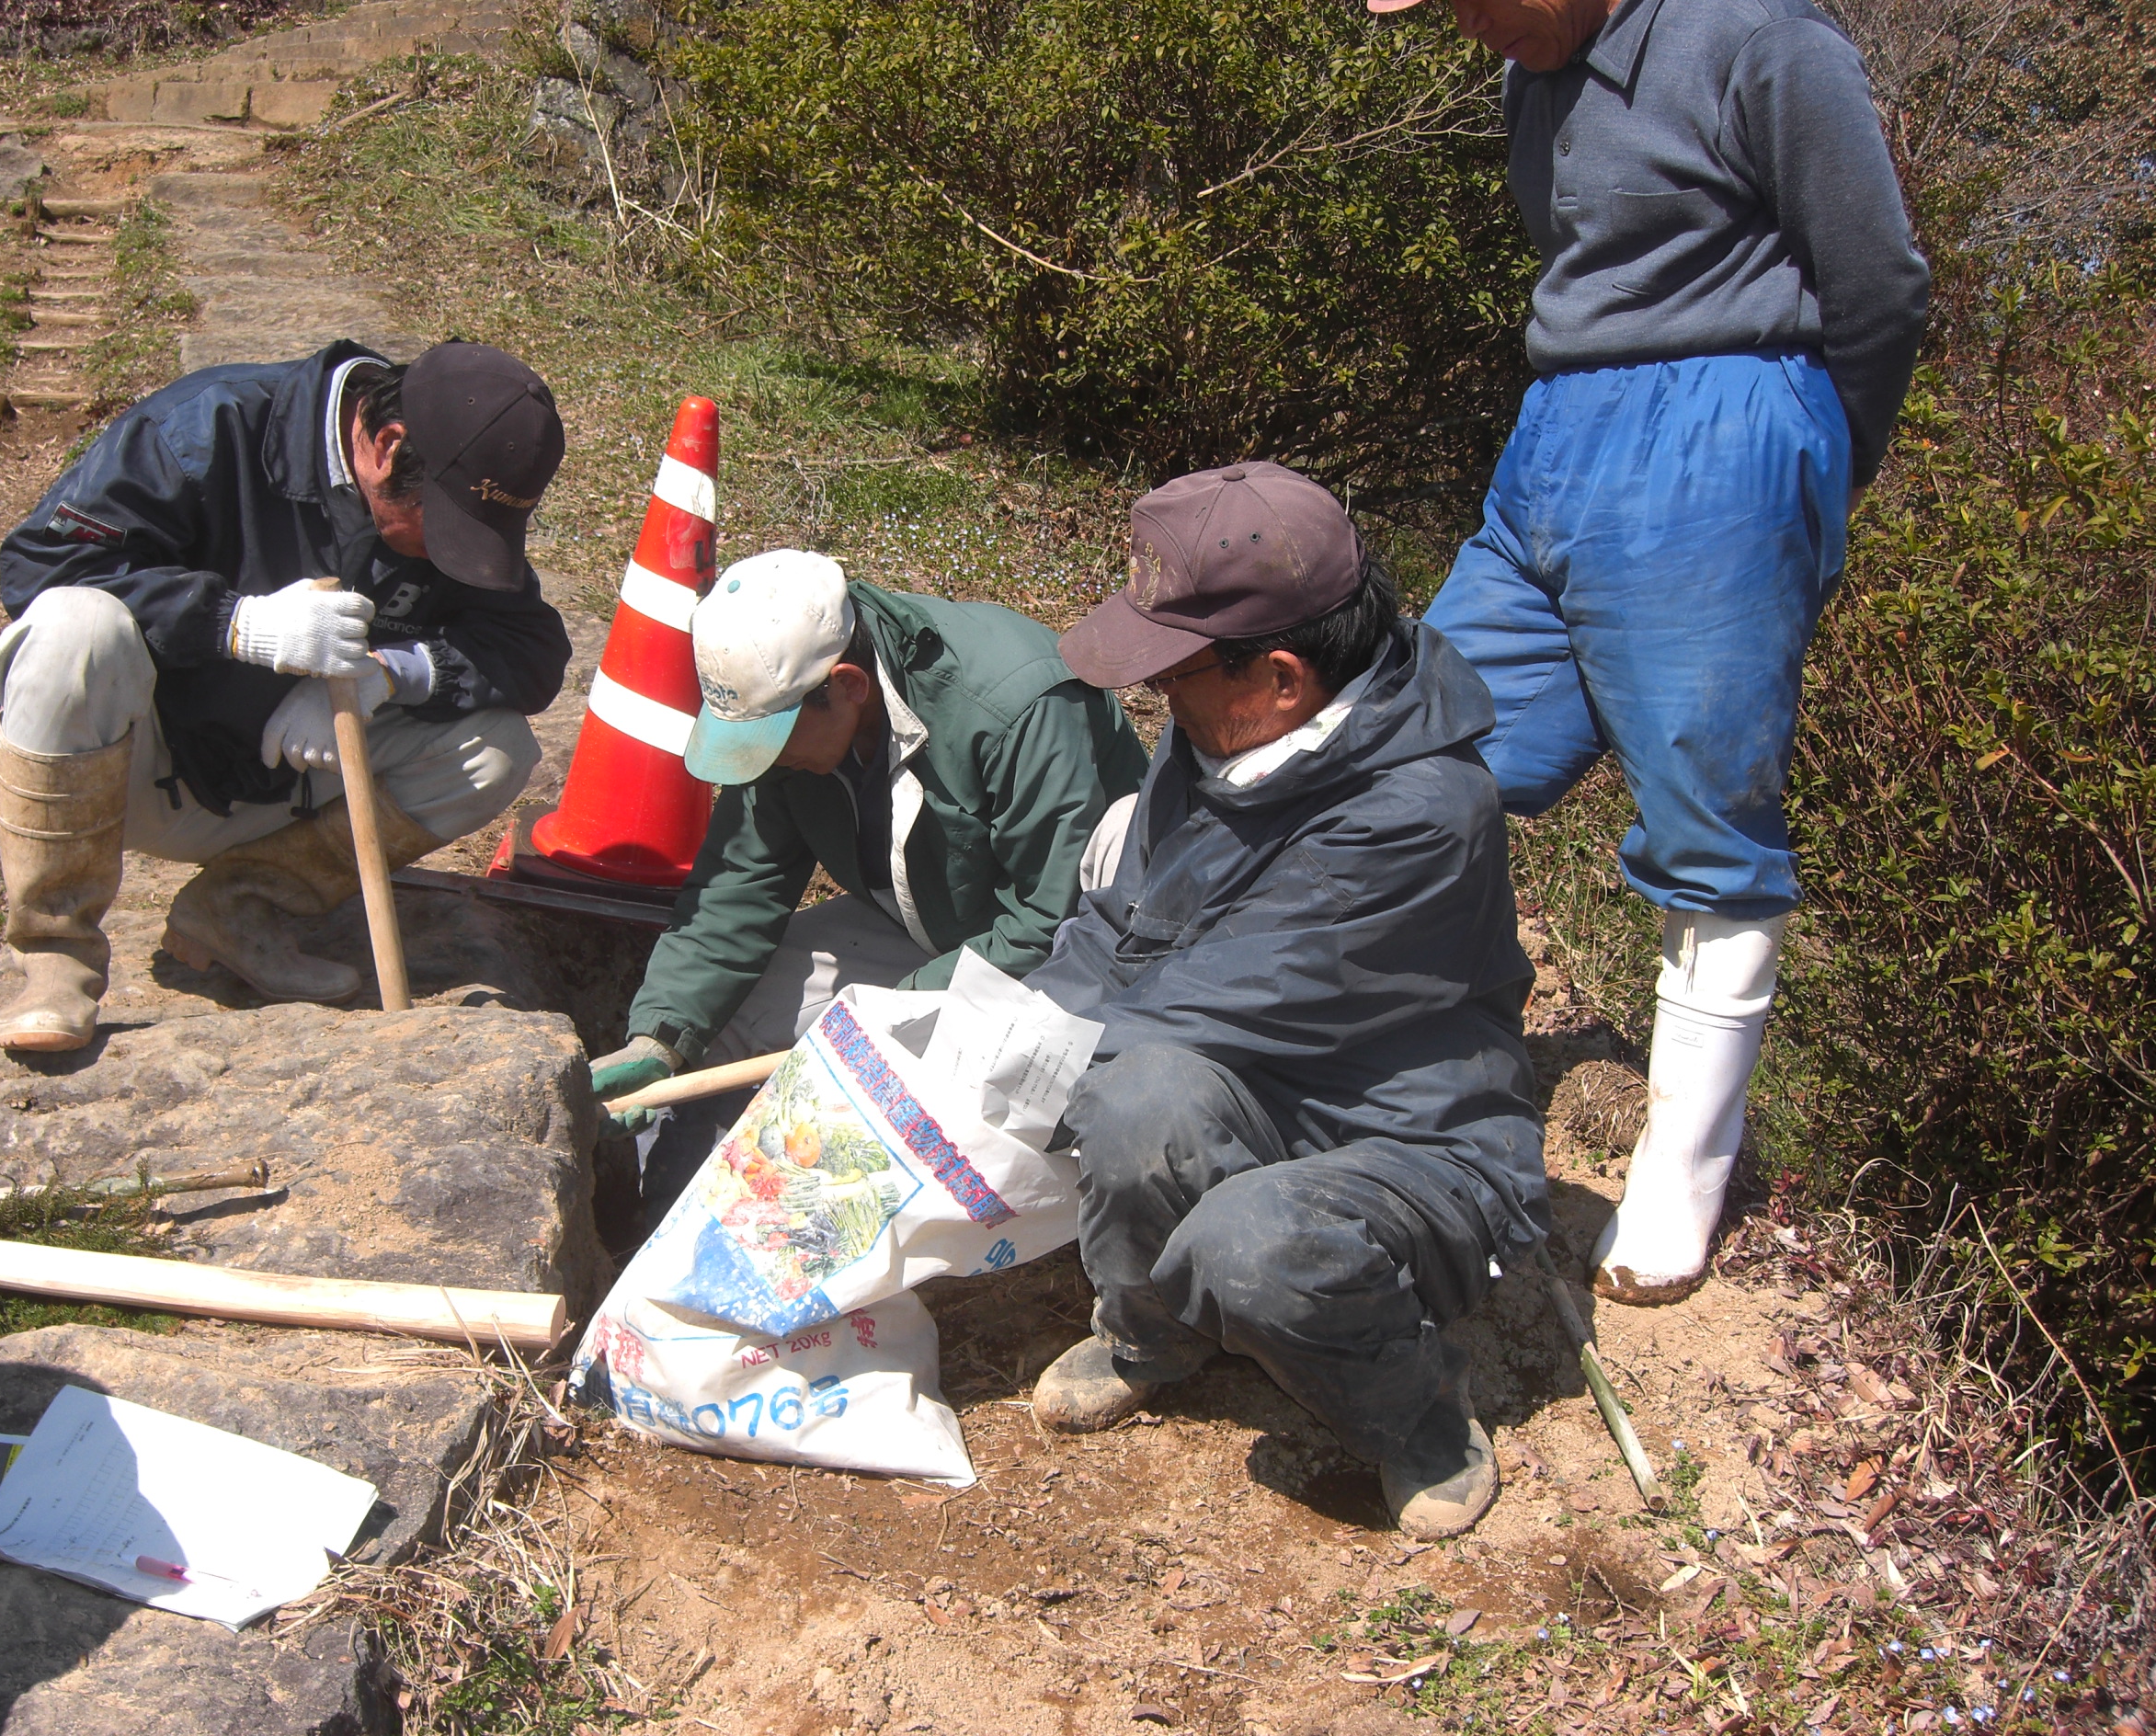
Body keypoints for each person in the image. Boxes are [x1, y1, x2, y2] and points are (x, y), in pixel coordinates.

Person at [1368, 0, 1932, 1302]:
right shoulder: (1529, 72)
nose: (1470, 26)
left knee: (1703, 810)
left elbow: (1881, 283)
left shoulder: (1763, 41)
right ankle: (1416, 1050)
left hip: (1725, 420)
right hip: (1557, 433)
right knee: (1423, 740)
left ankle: (1683, 1170)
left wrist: (1799, 478)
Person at [1024, 463, 1546, 1540]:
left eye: (1175, 672)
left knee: (1250, 1242)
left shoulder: (1419, 815)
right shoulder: (1224, 735)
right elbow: (1122, 932)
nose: (1158, 697)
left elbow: (1198, 1000)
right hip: (1255, 1077)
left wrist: (1012, 1056)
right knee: (1134, 1103)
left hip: (1408, 1140)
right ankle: (1153, 1335)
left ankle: (1419, 1415)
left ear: (1279, 676)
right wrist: (995, 1029)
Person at [0, 337, 570, 1052]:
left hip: (280, 783)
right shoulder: (204, 430)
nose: (451, 553)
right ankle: (54, 959)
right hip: (125, 768)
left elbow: (531, 652)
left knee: (496, 749)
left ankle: (239, 909)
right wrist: (235, 625)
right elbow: (39, 567)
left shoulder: (453, 478)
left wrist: (389, 673)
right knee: (74, 624)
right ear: (387, 445)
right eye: (443, 530)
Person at [590, 548, 1150, 1214]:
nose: (766, 763)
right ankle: (660, 1209)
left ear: (848, 686)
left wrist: (886, 1017)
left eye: (775, 741)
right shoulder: (791, 722)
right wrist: (660, 1036)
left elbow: (1054, 919)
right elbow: (738, 883)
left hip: (1063, 968)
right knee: (728, 1013)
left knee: (913, 1091)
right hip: (924, 926)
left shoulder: (1017, 706)